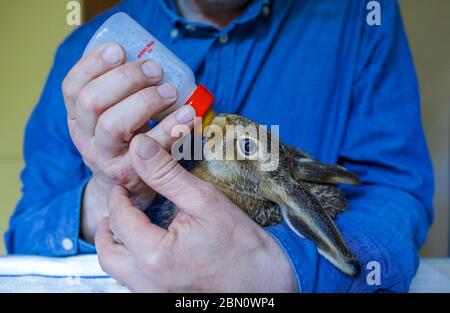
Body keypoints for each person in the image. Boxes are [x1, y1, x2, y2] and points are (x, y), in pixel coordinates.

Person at [5, 0, 434, 292]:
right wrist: (107, 194)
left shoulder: (362, 16)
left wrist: (282, 270)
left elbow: (393, 186)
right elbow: (25, 236)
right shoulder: (87, 51)